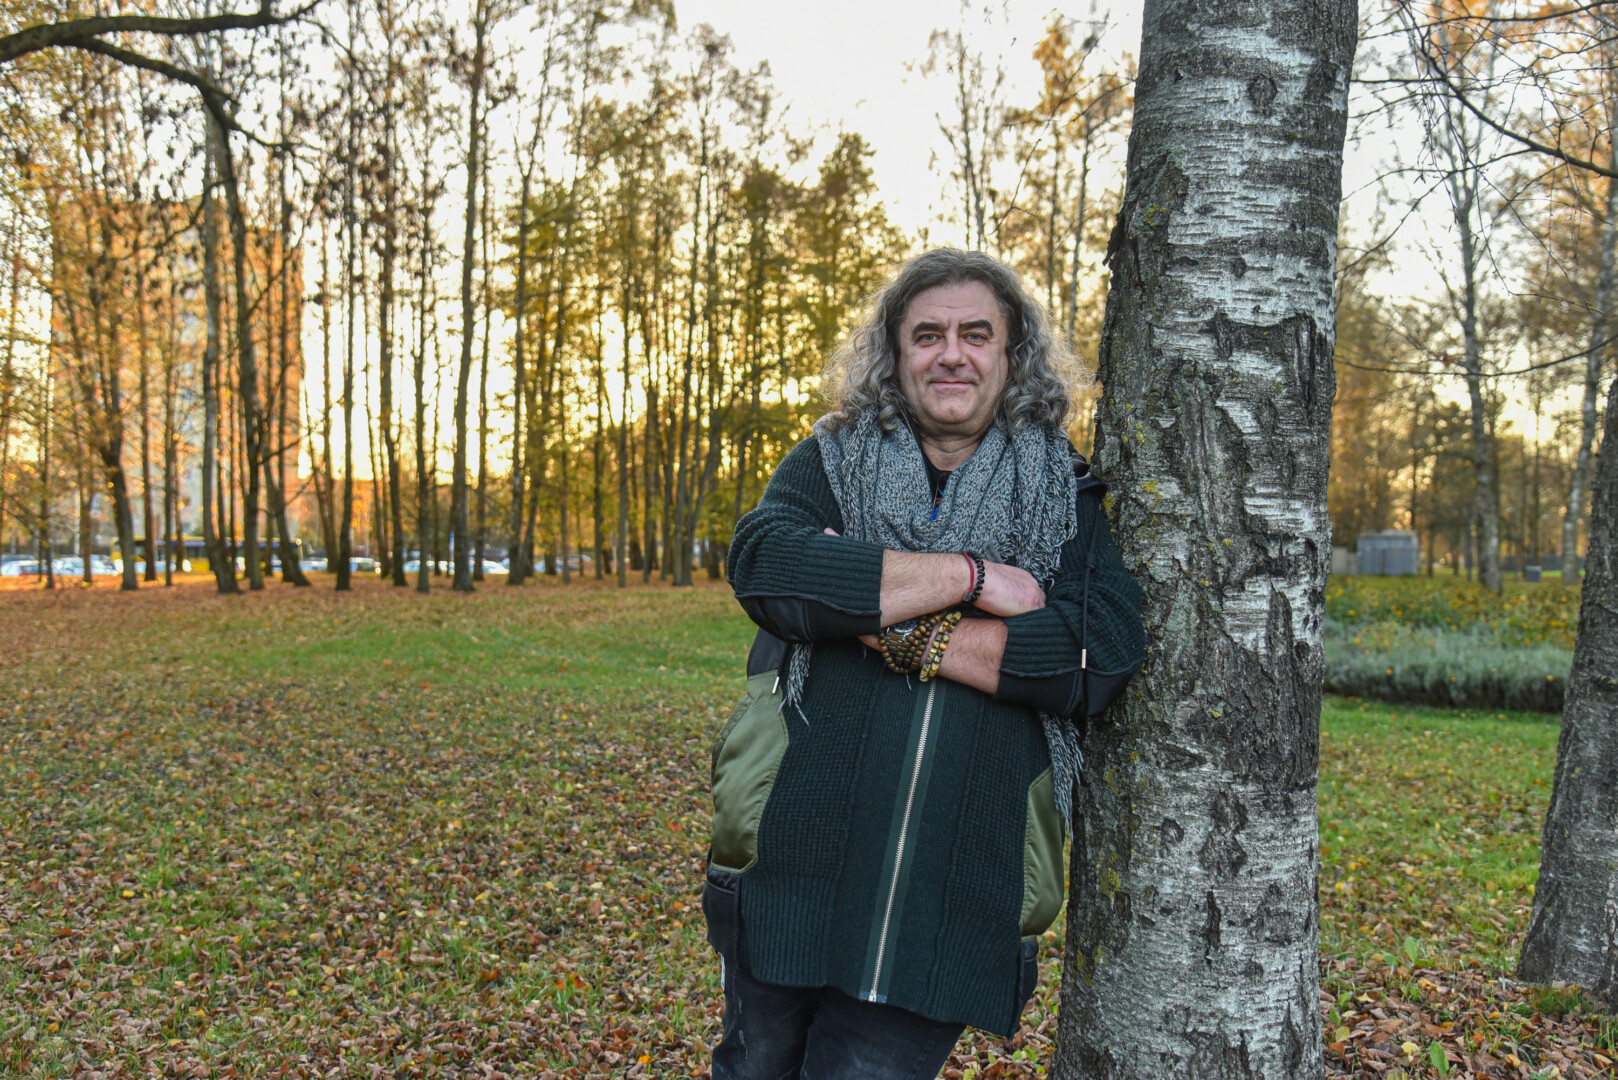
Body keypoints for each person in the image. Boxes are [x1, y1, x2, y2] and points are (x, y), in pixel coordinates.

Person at [708, 248, 1146, 1080]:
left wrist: (885, 615)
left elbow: (1097, 653)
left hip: (955, 895)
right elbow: (768, 565)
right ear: (895, 353)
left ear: (1012, 355)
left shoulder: (1064, 492)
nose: (952, 355)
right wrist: (971, 578)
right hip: (791, 862)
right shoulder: (831, 459)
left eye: (976, 334)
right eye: (927, 335)